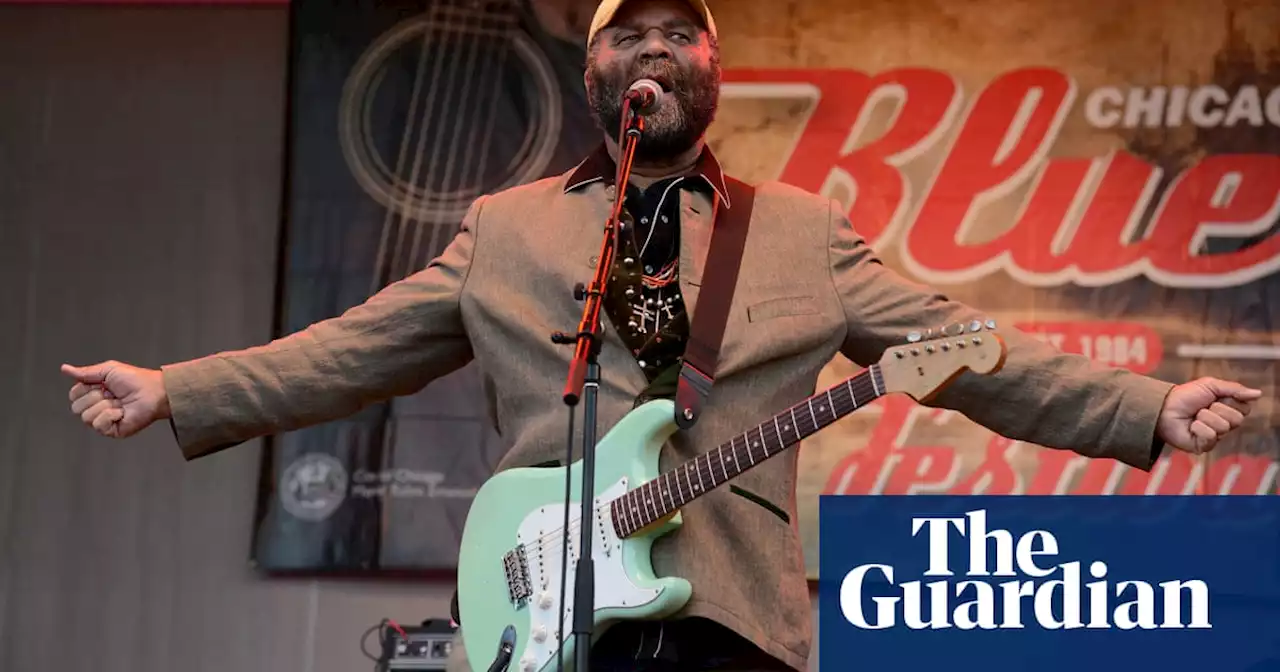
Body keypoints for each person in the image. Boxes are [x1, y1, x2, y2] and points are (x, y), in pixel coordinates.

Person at [63, 0, 1262, 669]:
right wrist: (179, 386)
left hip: (732, 614)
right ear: (590, 70)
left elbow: (963, 348)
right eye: (625, 31)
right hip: (540, 613)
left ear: (711, 71)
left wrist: (1140, 406)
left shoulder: (800, 233)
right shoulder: (506, 228)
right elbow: (350, 348)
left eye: (678, 32)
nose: (653, 44)